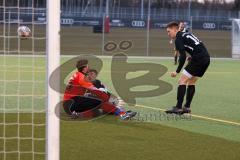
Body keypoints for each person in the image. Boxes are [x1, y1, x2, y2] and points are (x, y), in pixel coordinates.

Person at [63, 59, 137, 120]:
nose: (88, 68)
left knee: (96, 110)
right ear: (84, 68)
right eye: (87, 66)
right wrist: (107, 98)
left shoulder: (76, 75)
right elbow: (95, 90)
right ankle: (123, 114)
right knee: (99, 102)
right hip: (73, 103)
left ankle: (78, 115)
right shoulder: (82, 77)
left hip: (68, 105)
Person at [165, 21, 210, 114]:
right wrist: (192, 57)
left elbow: (182, 57)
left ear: (175, 29)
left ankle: (178, 107)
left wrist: (177, 71)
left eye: (169, 31)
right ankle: (187, 107)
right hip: (206, 58)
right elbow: (197, 47)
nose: (168, 34)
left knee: (181, 81)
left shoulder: (178, 38)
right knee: (191, 82)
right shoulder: (186, 34)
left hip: (198, 59)